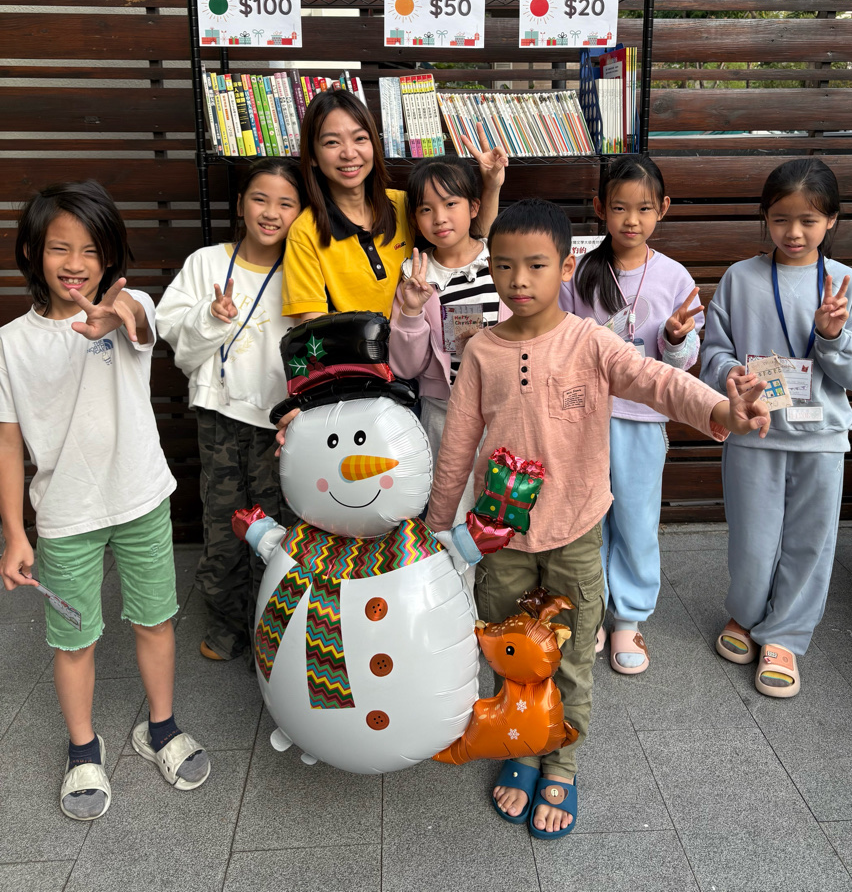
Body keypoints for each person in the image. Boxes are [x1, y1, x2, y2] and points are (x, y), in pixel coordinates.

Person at [425, 198, 770, 840]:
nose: (518, 281)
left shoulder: (590, 341)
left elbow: (657, 380)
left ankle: (561, 758)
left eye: (536, 265)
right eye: (504, 266)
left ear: (566, 267)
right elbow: (457, 446)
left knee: (572, 654)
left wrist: (721, 411)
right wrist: (438, 529)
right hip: (500, 539)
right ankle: (521, 745)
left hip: (576, 533)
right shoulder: (481, 352)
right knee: (510, 651)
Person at [0, 181, 210, 821]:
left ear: (110, 257)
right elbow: (7, 443)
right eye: (59, 248)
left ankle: (161, 728)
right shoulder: (11, 343)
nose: (76, 263)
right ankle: (83, 749)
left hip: (142, 499)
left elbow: (139, 320)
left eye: (91, 250)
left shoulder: (128, 305)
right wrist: (15, 533)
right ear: (32, 251)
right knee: (73, 640)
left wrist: (115, 316)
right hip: (64, 518)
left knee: (156, 620)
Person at [700, 158, 852, 698]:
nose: (793, 232)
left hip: (822, 439)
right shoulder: (740, 278)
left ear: (832, 220)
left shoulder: (846, 285)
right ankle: (746, 615)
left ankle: (786, 636)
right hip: (754, 432)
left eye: (808, 220)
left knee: (810, 542)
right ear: (765, 217)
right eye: (780, 219)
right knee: (752, 538)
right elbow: (714, 352)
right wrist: (731, 374)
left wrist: (832, 336)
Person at [560, 155, 704, 675]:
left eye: (644, 208)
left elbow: (684, 364)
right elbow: (560, 341)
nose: (631, 220)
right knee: (588, 519)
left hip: (643, 420)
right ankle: (591, 608)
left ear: (663, 208)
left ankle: (629, 618)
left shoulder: (674, 276)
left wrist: (676, 337)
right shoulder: (580, 272)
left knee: (637, 522)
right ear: (600, 208)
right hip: (587, 419)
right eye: (619, 207)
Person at [156, 158, 303, 662]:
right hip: (219, 416)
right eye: (260, 199)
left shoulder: (304, 267)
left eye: (286, 203)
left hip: (280, 421)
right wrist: (211, 316)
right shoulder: (206, 262)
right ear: (240, 204)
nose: (271, 212)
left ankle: (273, 630)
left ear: (301, 213)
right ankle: (226, 625)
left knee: (276, 525)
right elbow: (172, 334)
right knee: (223, 523)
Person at [280, 89, 508, 325]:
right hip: (357, 348)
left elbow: (470, 237)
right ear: (313, 156)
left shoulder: (402, 204)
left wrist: (492, 185)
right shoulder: (305, 232)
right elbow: (312, 325)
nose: (349, 153)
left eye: (360, 138)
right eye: (332, 142)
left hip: (418, 340)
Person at [389, 154, 509, 465]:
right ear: (415, 219)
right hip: (443, 410)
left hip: (508, 407)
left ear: (474, 207)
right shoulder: (415, 276)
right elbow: (405, 368)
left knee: (507, 489)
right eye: (426, 209)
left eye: (450, 204)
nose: (439, 218)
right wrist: (412, 312)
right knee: (449, 491)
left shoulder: (501, 260)